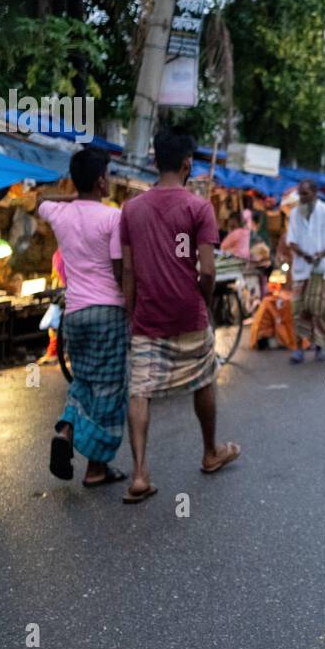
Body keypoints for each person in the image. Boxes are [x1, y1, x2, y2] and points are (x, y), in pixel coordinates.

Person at [119, 122, 240, 503]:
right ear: (188, 164)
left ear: (155, 160)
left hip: (147, 317)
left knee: (140, 390)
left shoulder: (131, 209)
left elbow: (128, 271)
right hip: (188, 313)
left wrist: (131, 313)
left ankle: (139, 474)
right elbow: (207, 270)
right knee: (203, 379)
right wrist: (204, 300)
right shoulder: (198, 207)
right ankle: (209, 452)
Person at [37, 146, 129, 487]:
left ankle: (65, 430)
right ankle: (96, 468)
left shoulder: (59, 213)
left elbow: (40, 200)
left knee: (83, 382)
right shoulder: (113, 217)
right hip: (108, 311)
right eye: (108, 175)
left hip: (74, 313)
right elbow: (121, 271)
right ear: (102, 181)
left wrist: (72, 190)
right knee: (108, 391)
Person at [286, 179, 325, 362]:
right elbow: (291, 241)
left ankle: (319, 346)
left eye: (305, 194)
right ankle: (299, 348)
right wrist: (303, 254)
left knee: (320, 311)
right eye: (300, 194)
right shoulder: (294, 213)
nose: (302, 198)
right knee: (298, 309)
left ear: (315, 194)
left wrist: (319, 255)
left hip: (322, 270)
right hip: (301, 271)